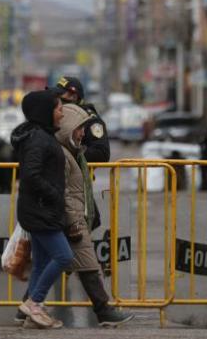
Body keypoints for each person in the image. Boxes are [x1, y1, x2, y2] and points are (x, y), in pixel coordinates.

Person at [56, 103, 134, 327]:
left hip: (74, 216)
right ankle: (104, 311)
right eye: (80, 129)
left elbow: (100, 154)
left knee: (83, 263)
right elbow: (63, 192)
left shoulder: (75, 152)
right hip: (67, 219)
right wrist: (73, 221)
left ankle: (104, 310)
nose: (84, 133)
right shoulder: (62, 154)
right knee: (56, 264)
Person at [12, 90, 74, 329]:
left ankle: (30, 310)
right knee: (63, 256)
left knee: (40, 262)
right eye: (58, 108)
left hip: (39, 209)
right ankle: (35, 303)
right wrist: (54, 194)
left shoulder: (42, 135)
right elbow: (31, 175)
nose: (62, 112)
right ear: (45, 112)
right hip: (40, 210)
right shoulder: (38, 139)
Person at [54, 76, 110, 163]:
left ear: (74, 97)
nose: (56, 98)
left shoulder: (90, 119)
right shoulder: (56, 113)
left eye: (60, 95)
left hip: (79, 174)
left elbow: (102, 153)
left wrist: (70, 154)